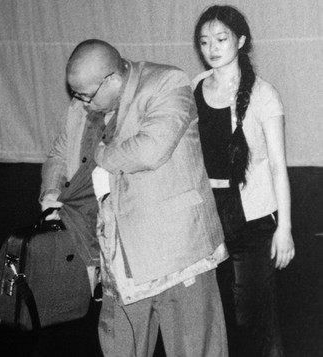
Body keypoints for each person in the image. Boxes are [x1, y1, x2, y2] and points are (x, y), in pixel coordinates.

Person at [41, 38, 229, 357]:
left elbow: (150, 149)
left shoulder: (166, 83)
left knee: (196, 351)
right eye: (76, 95)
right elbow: (59, 152)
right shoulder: (83, 104)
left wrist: (96, 155)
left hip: (175, 254)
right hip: (116, 257)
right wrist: (52, 190)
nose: (81, 104)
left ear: (112, 79)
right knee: (120, 349)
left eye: (86, 95)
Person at [192, 5, 295, 357]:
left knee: (256, 317)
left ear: (241, 40)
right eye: (204, 42)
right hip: (207, 216)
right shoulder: (194, 89)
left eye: (221, 39)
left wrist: (284, 228)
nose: (212, 48)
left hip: (252, 217)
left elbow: (279, 166)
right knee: (216, 315)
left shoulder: (264, 94)